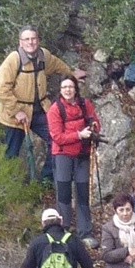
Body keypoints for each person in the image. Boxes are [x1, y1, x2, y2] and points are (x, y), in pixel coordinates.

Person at [0, 28, 84, 165]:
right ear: (21, 42)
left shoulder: (43, 55)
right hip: (15, 115)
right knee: (10, 154)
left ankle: (47, 177)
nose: (30, 42)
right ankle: (8, 178)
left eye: (33, 38)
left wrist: (71, 74)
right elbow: (0, 89)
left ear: (38, 40)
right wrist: (17, 111)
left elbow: (56, 65)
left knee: (56, 140)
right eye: (27, 39)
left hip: (40, 110)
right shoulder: (14, 59)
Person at [46, 76, 100, 242]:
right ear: (60, 90)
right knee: (64, 194)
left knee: (83, 193)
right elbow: (57, 137)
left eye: (70, 87)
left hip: (82, 155)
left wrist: (94, 127)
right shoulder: (55, 110)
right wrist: (79, 135)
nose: (67, 90)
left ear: (75, 89)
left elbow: (95, 120)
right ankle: (63, 231)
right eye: (64, 87)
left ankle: (85, 233)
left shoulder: (85, 104)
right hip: (62, 156)